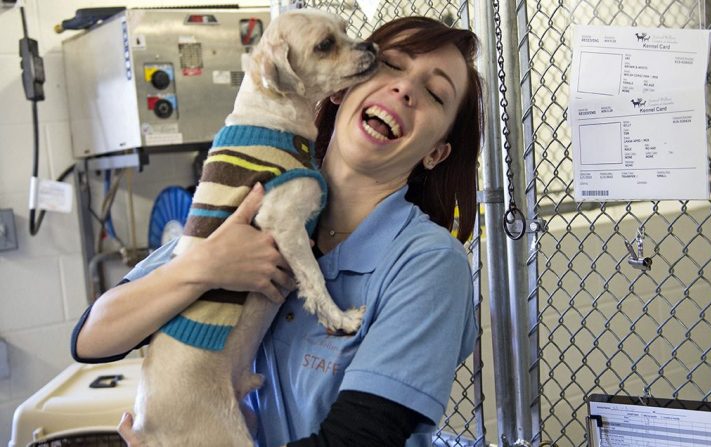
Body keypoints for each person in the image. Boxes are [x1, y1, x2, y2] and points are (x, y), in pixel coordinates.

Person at [71, 15, 484, 447]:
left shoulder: (428, 264)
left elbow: (358, 441)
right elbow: (92, 338)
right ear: (343, 88)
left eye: (435, 93)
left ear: (436, 153)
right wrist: (201, 268)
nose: (405, 89)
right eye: (392, 66)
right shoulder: (254, 195)